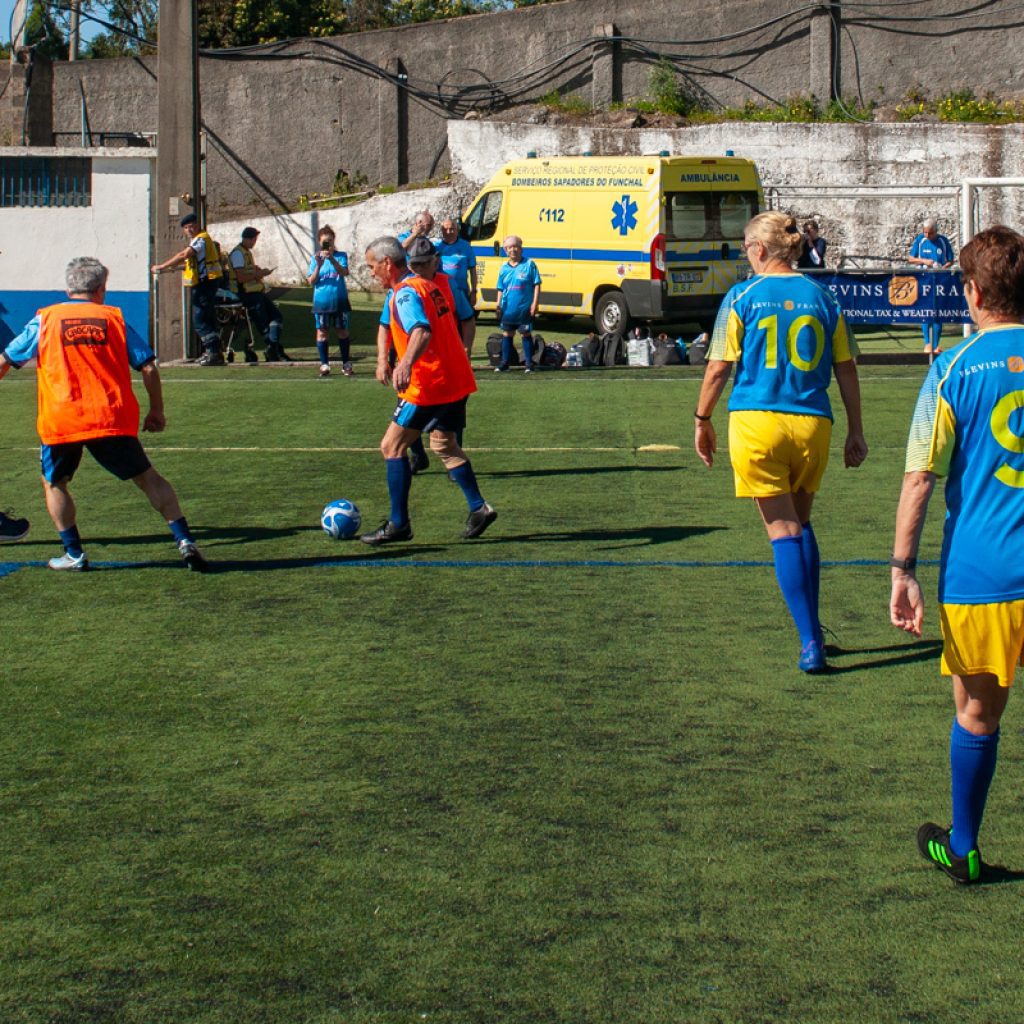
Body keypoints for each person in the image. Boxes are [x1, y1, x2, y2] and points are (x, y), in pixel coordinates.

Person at [890, 225, 1024, 884]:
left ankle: (964, 848)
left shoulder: (951, 369)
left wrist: (902, 570)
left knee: (976, 715)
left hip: (983, 574)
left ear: (972, 293)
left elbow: (920, 478)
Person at [693, 211, 868, 673]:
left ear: (762, 250)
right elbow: (846, 367)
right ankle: (814, 629)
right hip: (813, 424)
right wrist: (856, 428)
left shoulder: (742, 296)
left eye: (748, 248)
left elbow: (718, 367)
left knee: (783, 532)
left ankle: (810, 641)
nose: (746, 256)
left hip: (758, 423)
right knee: (802, 526)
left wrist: (701, 418)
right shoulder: (823, 297)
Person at [0, 257, 210, 573]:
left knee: (55, 483)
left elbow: (6, 359)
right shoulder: (112, 318)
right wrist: (156, 409)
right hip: (109, 416)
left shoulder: (45, 319)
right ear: (101, 289)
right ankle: (184, 541)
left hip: (63, 418)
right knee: (148, 478)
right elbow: (149, 366)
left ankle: (73, 553)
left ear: (69, 288)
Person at [361, 235, 497, 546]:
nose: (371, 273)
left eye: (372, 267)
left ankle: (398, 524)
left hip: (429, 384)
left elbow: (420, 330)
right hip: (455, 379)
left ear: (387, 264)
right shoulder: (428, 285)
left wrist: (405, 363)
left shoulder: (406, 294)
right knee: (444, 444)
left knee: (391, 447)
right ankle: (480, 508)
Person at [151, 212, 227, 366]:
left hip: (206, 282)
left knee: (199, 319)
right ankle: (213, 352)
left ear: (197, 225)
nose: (189, 230)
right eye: (186, 228)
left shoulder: (201, 239)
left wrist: (163, 266)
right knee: (205, 317)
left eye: (191, 226)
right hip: (204, 282)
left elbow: (185, 254)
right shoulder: (198, 239)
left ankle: (213, 352)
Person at [229, 227, 290, 363]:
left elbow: (247, 271)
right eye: (254, 240)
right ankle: (274, 350)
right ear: (248, 239)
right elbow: (241, 277)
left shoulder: (245, 253)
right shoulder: (238, 254)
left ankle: (273, 348)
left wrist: (259, 272)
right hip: (246, 294)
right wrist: (259, 274)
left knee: (276, 317)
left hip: (255, 292)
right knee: (263, 324)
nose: (254, 243)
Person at [306, 224, 353, 378]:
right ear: (320, 242)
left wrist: (332, 259)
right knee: (322, 332)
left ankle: (346, 363)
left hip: (339, 300)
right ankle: (324, 364)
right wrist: (318, 266)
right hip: (322, 302)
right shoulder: (315, 259)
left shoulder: (341, 256)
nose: (329, 244)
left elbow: (344, 272)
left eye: (331, 241)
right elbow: (311, 281)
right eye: (325, 242)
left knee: (342, 331)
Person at [908, 218, 956, 355]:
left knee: (938, 313)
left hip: (939, 281)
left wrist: (942, 267)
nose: (927, 236)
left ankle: (936, 345)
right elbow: (911, 259)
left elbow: (950, 260)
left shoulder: (943, 241)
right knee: (925, 312)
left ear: (936, 231)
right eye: (925, 233)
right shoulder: (920, 241)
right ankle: (927, 343)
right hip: (923, 281)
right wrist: (924, 261)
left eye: (930, 233)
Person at [495, 235, 542, 373]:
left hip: (524, 309)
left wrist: (535, 303)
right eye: (510, 247)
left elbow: (537, 284)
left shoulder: (529, 264)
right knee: (507, 334)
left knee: (525, 334)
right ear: (505, 250)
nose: (513, 250)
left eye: (516, 246)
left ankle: (529, 364)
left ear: (521, 248)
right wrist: (498, 305)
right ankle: (504, 363)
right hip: (508, 309)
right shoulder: (503, 268)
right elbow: (500, 288)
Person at [436, 217, 478, 356]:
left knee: (464, 325)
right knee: (446, 327)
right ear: (442, 230)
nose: (449, 232)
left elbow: (472, 271)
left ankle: (465, 358)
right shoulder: (437, 248)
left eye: (452, 228)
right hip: (442, 295)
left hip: (461, 293)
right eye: (446, 229)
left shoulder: (465, 246)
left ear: (457, 229)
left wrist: (474, 291)